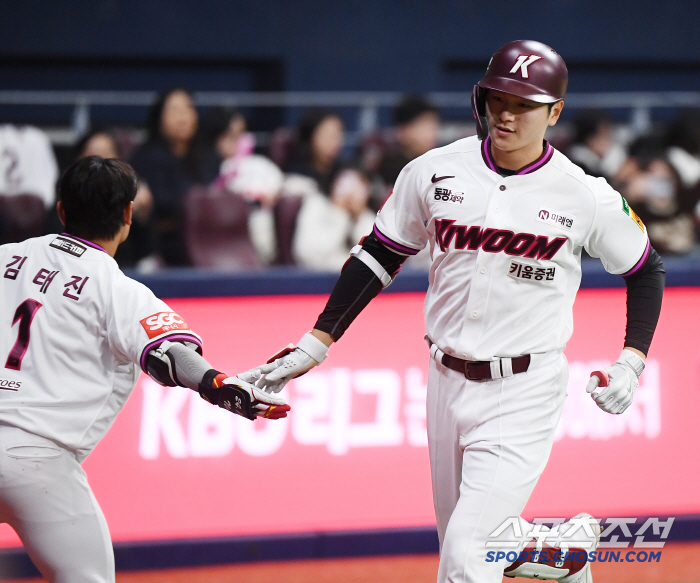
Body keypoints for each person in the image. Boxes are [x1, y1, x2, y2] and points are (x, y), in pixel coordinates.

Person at [243, 40, 665, 583]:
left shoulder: (584, 194)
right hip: (444, 379)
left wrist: (632, 360)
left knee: (465, 561)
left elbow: (645, 268)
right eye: (497, 98)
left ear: (555, 112)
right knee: (469, 545)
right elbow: (379, 254)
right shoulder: (434, 170)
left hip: (524, 387)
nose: (506, 113)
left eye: (524, 104)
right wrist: (316, 341)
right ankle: (562, 556)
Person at [0, 156, 289, 582]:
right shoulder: (120, 290)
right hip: (39, 462)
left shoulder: (6, 256)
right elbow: (171, 354)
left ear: (61, 209)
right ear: (128, 215)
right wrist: (217, 384)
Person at [130, 88, 219, 266]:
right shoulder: (145, 157)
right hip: (167, 245)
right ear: (159, 117)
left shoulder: (208, 155)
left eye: (187, 109)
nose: (183, 117)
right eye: (175, 110)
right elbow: (162, 203)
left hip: (212, 238)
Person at [286, 108, 345, 196]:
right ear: (311, 136)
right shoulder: (295, 173)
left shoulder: (344, 173)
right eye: (328, 135)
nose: (335, 141)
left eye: (338, 135)